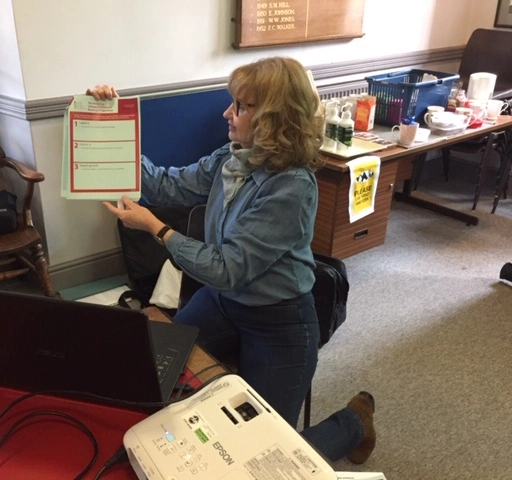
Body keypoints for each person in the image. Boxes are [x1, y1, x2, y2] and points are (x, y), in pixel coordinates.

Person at [88, 56, 375, 464]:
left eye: (241, 105)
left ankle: (354, 422)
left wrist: (157, 229)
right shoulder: (235, 154)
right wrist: (112, 124)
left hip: (280, 322)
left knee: (266, 453)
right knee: (151, 373)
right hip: (225, 303)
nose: (227, 112)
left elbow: (225, 269)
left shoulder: (292, 186)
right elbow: (166, 183)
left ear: (275, 118)